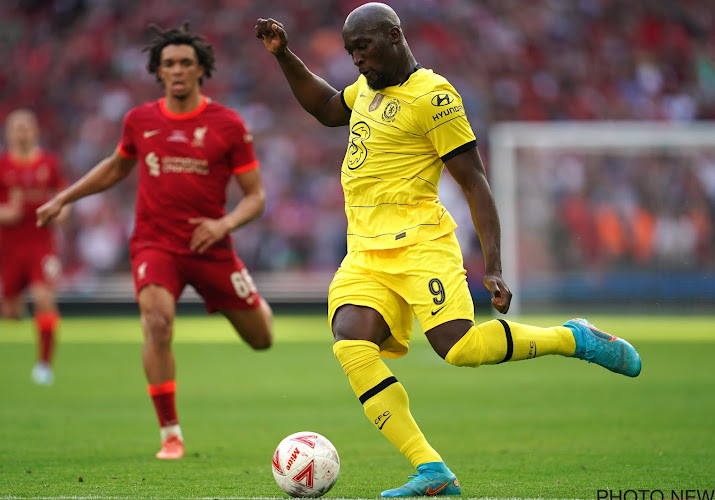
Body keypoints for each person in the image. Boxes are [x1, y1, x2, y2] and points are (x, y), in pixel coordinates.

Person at [255, 3, 641, 497]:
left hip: (421, 245)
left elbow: (475, 182)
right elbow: (328, 109)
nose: (357, 61)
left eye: (364, 48)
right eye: (351, 52)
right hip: (365, 253)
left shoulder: (434, 97)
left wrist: (495, 266)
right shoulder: (367, 90)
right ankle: (432, 470)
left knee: (458, 349)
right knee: (351, 340)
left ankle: (572, 338)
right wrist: (284, 54)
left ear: (394, 37)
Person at [37, 23, 274, 460]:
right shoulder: (139, 120)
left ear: (201, 69)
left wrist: (225, 226)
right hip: (155, 244)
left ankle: (249, 302)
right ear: (158, 72)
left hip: (211, 246)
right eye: (169, 64)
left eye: (186, 62)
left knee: (262, 338)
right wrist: (62, 198)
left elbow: (256, 197)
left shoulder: (228, 124)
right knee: (157, 323)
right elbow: (113, 168)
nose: (178, 70)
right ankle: (170, 432)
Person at [0, 109, 68, 386]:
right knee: (11, 313)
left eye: (26, 127)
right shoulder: (3, 166)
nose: (22, 132)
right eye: (17, 128)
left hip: (42, 244)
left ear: (36, 131)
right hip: (10, 246)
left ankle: (44, 365)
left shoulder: (50, 164)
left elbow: (64, 196)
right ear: (8, 133)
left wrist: (61, 212)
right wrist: (6, 212)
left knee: (43, 299)